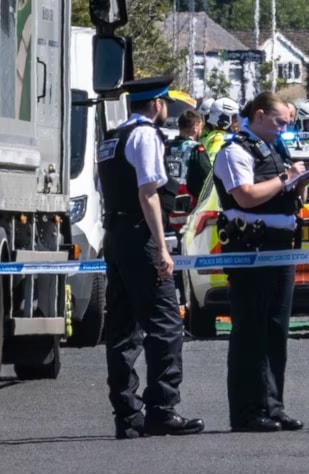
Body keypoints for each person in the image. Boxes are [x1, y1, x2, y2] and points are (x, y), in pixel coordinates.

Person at [97, 76, 204, 439]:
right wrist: (162, 247)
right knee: (165, 324)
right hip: (139, 235)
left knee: (123, 330)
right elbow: (148, 193)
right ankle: (161, 408)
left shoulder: (112, 137)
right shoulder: (145, 136)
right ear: (157, 105)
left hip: (115, 234)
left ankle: (127, 416)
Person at [212, 92, 309, 432]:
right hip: (251, 248)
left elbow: (292, 197)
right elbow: (246, 196)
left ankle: (273, 405)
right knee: (250, 331)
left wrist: (300, 183)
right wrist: (286, 178)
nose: (285, 128)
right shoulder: (235, 150)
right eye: (280, 121)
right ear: (258, 116)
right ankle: (247, 411)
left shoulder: (276, 149)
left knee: (275, 330)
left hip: (280, 246)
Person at [165, 110, 211, 202]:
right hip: (190, 204)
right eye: (201, 128)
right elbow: (208, 177)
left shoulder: (166, 147)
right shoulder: (196, 149)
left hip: (167, 201)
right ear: (196, 127)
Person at [202, 97, 240, 161]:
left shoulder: (218, 136)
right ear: (224, 119)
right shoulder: (219, 138)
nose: (237, 122)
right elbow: (211, 164)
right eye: (234, 118)